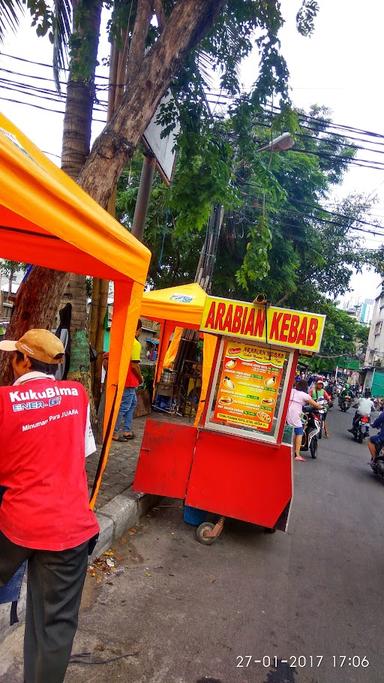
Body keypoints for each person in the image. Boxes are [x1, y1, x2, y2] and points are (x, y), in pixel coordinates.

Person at [0, 329, 99, 683]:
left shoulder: (3, 403)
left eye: (13, 357)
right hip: (70, 527)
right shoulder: (77, 395)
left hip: (17, 526)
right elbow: (83, 452)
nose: (10, 363)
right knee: (54, 627)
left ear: (24, 361)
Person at [112, 319, 143, 441]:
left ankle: (127, 430)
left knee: (132, 403)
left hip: (123, 378)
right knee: (124, 407)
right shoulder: (135, 344)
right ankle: (114, 432)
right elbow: (135, 365)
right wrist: (140, 379)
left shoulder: (123, 340)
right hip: (129, 380)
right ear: (138, 331)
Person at [286, 379, 321, 461]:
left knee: (293, 429)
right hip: (294, 413)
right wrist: (321, 406)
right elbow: (316, 405)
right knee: (299, 432)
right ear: (306, 387)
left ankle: (292, 449)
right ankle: (297, 454)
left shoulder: (292, 390)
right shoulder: (304, 395)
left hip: (286, 411)